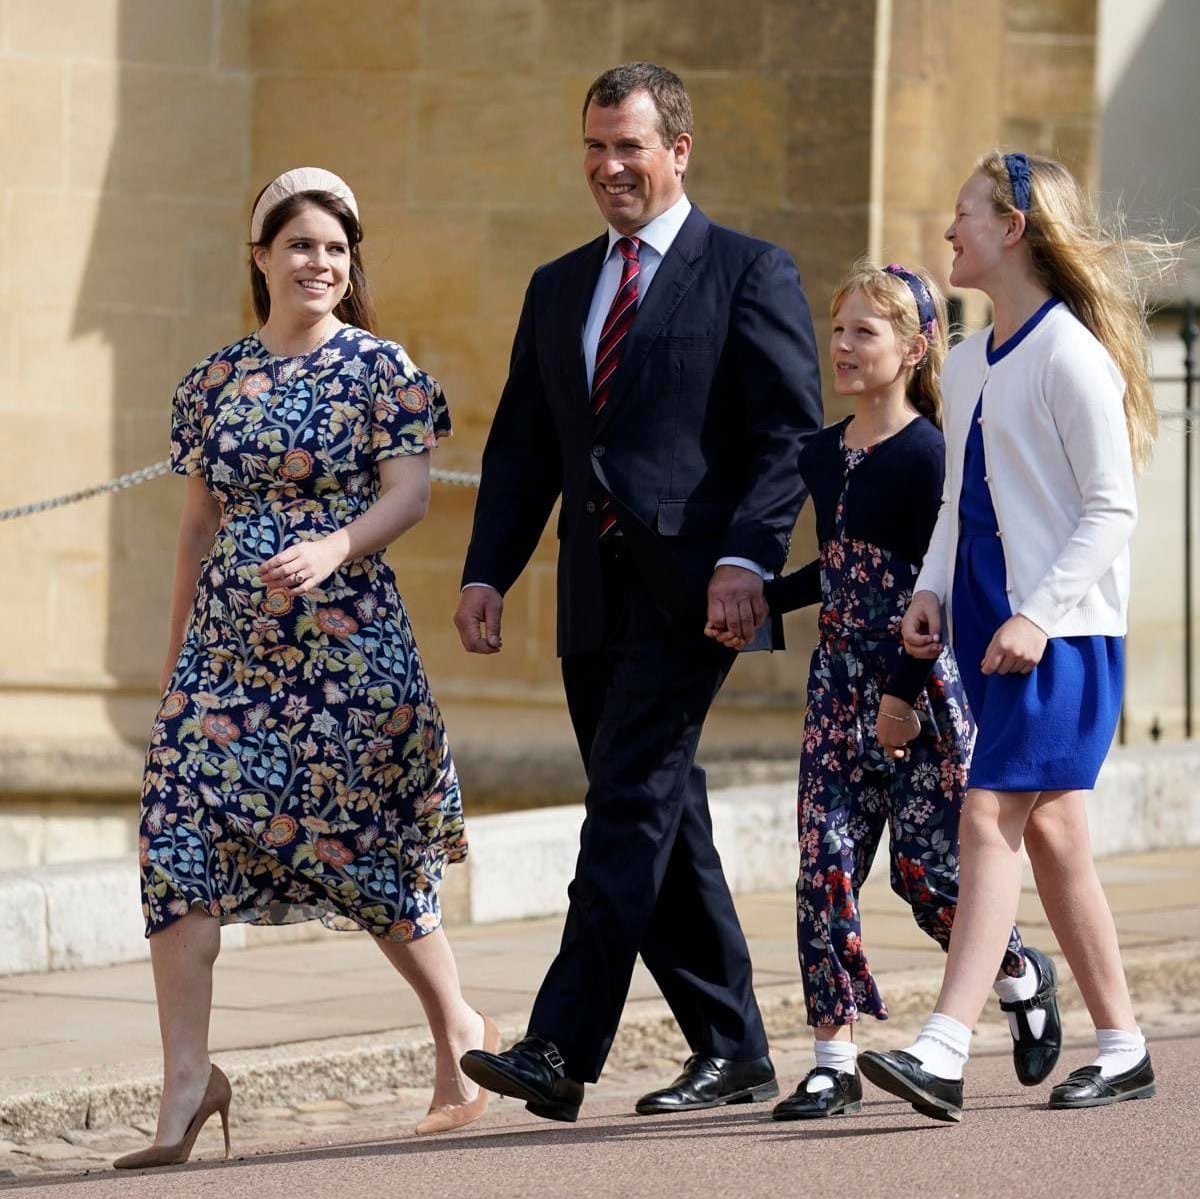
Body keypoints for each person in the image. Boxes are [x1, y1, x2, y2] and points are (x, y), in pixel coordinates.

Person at [454, 63, 823, 1123]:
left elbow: (786, 438)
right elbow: (524, 447)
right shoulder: (558, 284)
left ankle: (561, 1046)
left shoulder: (751, 272)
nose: (609, 167)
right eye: (594, 146)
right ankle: (734, 1046)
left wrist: (749, 560)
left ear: (678, 153)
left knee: (623, 806)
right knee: (663, 813)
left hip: (698, 595)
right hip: (589, 593)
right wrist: (487, 570)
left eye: (629, 146)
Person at [117, 168, 497, 1170]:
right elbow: (198, 526)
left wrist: (336, 545)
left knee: (359, 849)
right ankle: (189, 1081)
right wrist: (172, 674)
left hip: (346, 658)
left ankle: (457, 1025)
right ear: (260, 256)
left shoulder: (382, 369)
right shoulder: (211, 384)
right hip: (225, 661)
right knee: (176, 844)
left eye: (335, 247)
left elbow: (410, 496)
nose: (319, 263)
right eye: (299, 245)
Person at [709, 261, 1059, 1120]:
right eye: (838, 330)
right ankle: (833, 1060)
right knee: (821, 864)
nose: (843, 346)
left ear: (912, 348)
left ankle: (1018, 973)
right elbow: (840, 570)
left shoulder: (930, 455)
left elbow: (922, 593)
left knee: (928, 878)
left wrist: (901, 697)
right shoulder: (821, 455)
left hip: (919, 691)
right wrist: (758, 594)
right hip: (836, 687)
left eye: (864, 332)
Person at [859, 151, 1163, 1120]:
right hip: (993, 629)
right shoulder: (964, 357)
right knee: (1060, 840)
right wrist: (931, 595)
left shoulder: (1073, 355)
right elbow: (957, 503)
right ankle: (1124, 1047)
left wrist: (1040, 615)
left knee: (989, 820)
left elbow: (1113, 511)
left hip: (1061, 636)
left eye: (963, 214)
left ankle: (945, 1048)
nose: (948, 231)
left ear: (1014, 230)